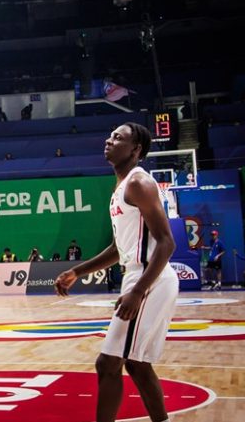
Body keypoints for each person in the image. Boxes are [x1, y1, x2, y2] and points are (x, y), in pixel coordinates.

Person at [54, 122, 178, 422]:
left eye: (118, 138)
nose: (109, 141)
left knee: (108, 364)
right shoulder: (121, 187)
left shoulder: (139, 183)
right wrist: (77, 271)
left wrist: (137, 291)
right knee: (136, 365)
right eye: (109, 136)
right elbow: (117, 249)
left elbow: (166, 242)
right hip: (140, 274)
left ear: (136, 150)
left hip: (151, 277)